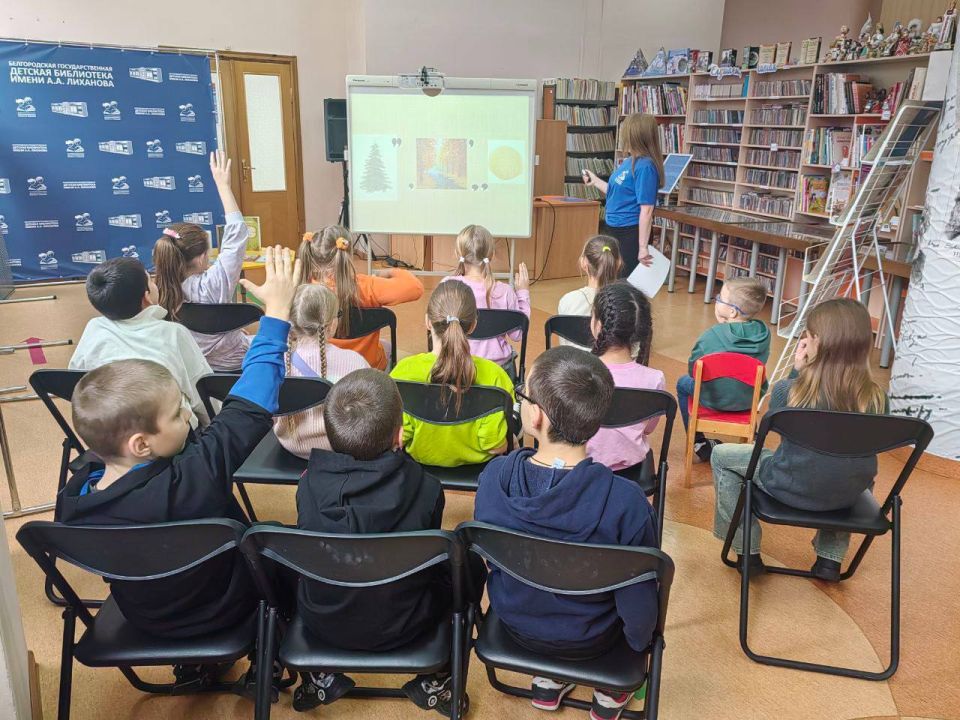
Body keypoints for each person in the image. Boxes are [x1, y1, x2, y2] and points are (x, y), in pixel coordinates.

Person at [60, 246, 298, 689]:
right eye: (176, 414)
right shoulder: (193, 476)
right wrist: (278, 312)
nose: (187, 416)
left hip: (144, 615)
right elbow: (248, 406)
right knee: (279, 542)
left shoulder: (72, 505)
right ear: (141, 443)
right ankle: (271, 646)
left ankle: (197, 664)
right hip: (223, 606)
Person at [474, 346, 659, 720]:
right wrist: (638, 647)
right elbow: (637, 601)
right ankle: (610, 692)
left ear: (536, 416)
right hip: (592, 640)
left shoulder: (494, 479)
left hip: (516, 625)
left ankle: (548, 679)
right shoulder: (627, 502)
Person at [294, 369, 465, 716]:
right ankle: (438, 676)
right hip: (407, 624)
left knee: (282, 556)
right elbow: (428, 563)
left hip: (323, 622)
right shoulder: (427, 487)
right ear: (400, 435)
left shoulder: (307, 486)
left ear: (330, 436)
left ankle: (319, 673)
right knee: (463, 562)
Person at [711, 299, 889, 582]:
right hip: (847, 496)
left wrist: (797, 371)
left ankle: (746, 549)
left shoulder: (789, 391)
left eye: (808, 335)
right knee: (850, 465)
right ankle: (830, 560)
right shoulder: (877, 399)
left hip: (787, 485)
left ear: (817, 342)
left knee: (722, 456)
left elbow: (776, 427)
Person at [69, 256, 212, 425]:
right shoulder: (173, 333)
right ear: (147, 297)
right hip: (169, 436)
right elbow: (202, 392)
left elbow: (76, 379)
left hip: (108, 434)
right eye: (151, 281)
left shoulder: (94, 328)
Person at [390, 281, 514, 467]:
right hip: (480, 468)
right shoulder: (495, 375)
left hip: (419, 462)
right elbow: (494, 446)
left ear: (428, 322)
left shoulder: (403, 372)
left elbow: (400, 437)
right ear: (473, 325)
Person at [152, 150, 251, 371]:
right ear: (201, 258)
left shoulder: (159, 290)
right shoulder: (213, 285)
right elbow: (236, 235)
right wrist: (223, 185)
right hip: (235, 364)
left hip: (193, 371)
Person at [298, 225, 423, 370]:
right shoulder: (366, 286)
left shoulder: (301, 290)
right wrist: (390, 272)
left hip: (320, 369)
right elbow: (416, 288)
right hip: (368, 369)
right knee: (388, 347)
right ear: (348, 255)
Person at [676, 277, 770, 461]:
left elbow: (692, 370)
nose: (717, 299)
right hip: (747, 401)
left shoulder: (711, 336)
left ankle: (698, 441)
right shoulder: (763, 333)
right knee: (749, 381)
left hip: (714, 399)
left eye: (720, 298)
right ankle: (753, 436)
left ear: (733, 312)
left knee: (682, 383)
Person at [274, 284, 369, 458]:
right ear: (332, 324)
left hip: (291, 442)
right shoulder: (354, 362)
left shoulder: (278, 361)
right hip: (340, 443)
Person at [586, 282, 666, 472]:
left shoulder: (578, 372)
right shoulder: (654, 379)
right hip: (633, 470)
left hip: (584, 469)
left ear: (598, 325)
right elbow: (648, 429)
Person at [583, 113, 664, 278]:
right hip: (614, 228)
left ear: (635, 135)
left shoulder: (645, 167)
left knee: (625, 282)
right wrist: (595, 181)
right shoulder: (629, 161)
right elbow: (618, 193)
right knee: (611, 278)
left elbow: (647, 210)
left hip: (629, 232)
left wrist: (642, 248)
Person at [443, 224, 530, 378]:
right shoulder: (505, 292)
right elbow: (518, 334)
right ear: (492, 255)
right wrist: (523, 292)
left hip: (457, 368)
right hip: (498, 370)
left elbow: (437, 328)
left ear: (458, 253)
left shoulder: (447, 286)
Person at [557, 235, 622, 350]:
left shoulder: (568, 300)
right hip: (613, 367)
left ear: (583, 263)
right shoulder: (628, 303)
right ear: (618, 264)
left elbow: (565, 347)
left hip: (576, 366)